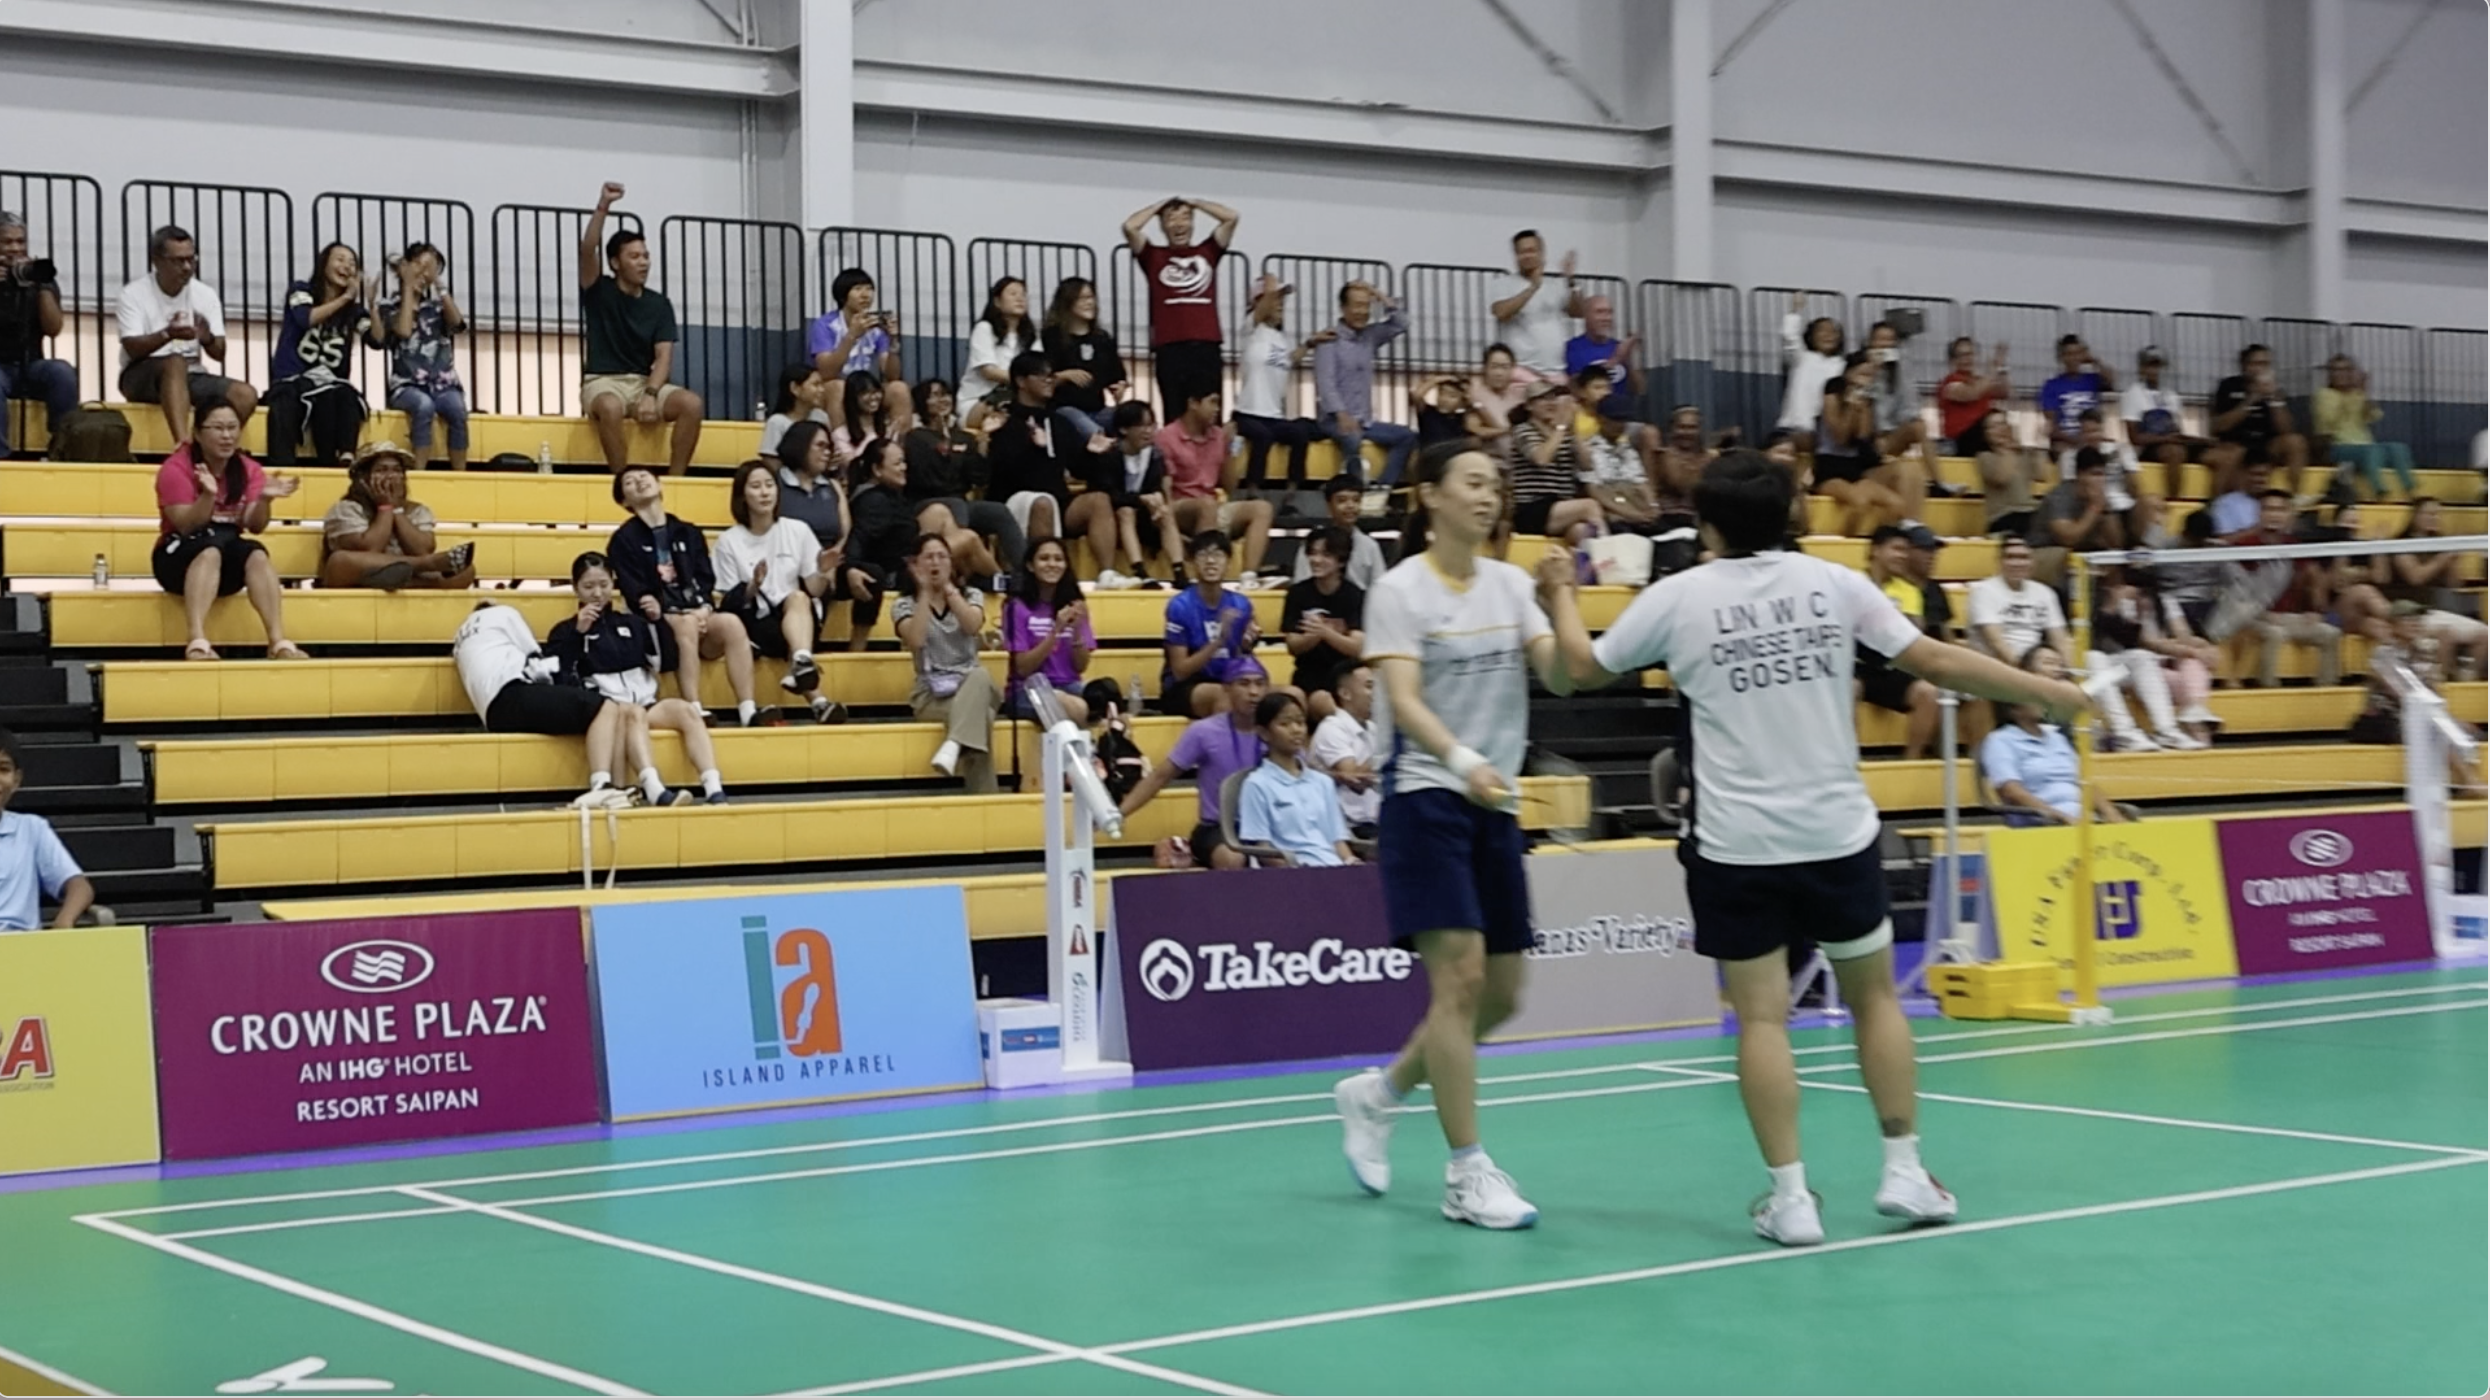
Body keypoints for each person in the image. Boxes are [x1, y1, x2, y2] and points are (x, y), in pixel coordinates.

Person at [1537, 448, 2093, 1245]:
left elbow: (1579, 673)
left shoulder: (1679, 596)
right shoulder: (1835, 582)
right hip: (1835, 834)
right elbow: (1931, 658)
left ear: (1709, 522)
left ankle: (1791, 1200)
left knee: (1762, 1019)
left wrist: (1559, 592)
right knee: (1875, 998)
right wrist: (2049, 692)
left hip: (1735, 845)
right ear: (1791, 516)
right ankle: (1904, 1171)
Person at [1329, 439, 1580, 1232]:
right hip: (1427, 796)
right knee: (1461, 981)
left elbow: (1566, 675)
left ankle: (1379, 1093)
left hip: (1491, 804)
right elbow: (1402, 698)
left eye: (1494, 484)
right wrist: (1465, 759)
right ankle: (1466, 1173)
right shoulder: (1399, 591)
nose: (1488, 494)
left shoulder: (1512, 584)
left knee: (1503, 995)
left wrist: (1562, 594)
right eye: (1471, 482)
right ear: (1429, 495)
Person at [544, 551, 727, 805]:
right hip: (609, 712)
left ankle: (714, 788)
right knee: (633, 714)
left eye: (603, 585)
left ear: (613, 584)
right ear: (576, 589)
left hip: (648, 702)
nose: (597, 593)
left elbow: (666, 662)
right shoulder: (564, 630)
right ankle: (654, 789)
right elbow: (560, 677)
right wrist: (578, 634)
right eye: (588, 586)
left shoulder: (632, 623)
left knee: (687, 711)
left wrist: (658, 621)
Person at [608, 466, 759, 726]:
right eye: (630, 482)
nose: (640, 481)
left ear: (660, 485)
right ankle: (694, 707)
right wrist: (659, 607)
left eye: (645, 476)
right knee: (686, 623)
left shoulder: (687, 531)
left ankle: (748, 709)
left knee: (731, 624)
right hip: (658, 622)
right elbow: (634, 589)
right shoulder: (623, 540)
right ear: (624, 501)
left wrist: (705, 608)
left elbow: (704, 577)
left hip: (695, 613)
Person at [153, 400, 303, 662]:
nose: (227, 436)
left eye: (233, 428)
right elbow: (186, 524)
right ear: (198, 434)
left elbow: (254, 526)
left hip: (225, 552)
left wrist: (265, 501)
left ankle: (278, 641)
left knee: (256, 553)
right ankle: (197, 640)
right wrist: (208, 496)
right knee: (210, 551)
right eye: (218, 428)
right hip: (177, 554)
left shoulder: (248, 469)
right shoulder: (176, 468)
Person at [714, 459, 854, 724]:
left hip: (800, 617)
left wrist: (823, 571)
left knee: (798, 597)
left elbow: (814, 589)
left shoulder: (797, 530)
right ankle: (818, 699)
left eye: (769, 485)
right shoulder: (728, 541)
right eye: (756, 486)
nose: (765, 492)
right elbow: (728, 602)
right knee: (794, 613)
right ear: (742, 496)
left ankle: (801, 662)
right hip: (756, 624)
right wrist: (754, 585)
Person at [578, 183, 704, 476]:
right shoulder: (600, 291)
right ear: (615, 263)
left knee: (691, 404)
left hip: (642, 382)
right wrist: (603, 205)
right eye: (634, 257)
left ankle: (676, 481)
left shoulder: (659, 304)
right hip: (602, 381)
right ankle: (624, 481)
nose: (644, 262)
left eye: (646, 256)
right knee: (609, 407)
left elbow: (663, 357)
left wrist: (650, 393)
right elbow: (587, 250)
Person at [454, 600, 632, 804]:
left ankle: (616, 790)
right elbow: (537, 658)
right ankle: (602, 785)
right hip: (513, 693)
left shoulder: (460, 639)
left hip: (492, 714)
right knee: (605, 708)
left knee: (592, 716)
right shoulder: (503, 612)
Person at [1119, 660, 1269, 869]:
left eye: (1260, 684)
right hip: (1217, 828)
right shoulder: (1204, 732)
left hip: (1265, 826)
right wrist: (1120, 813)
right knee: (1232, 858)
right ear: (1226, 689)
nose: (1253, 692)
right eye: (1243, 683)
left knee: (1284, 857)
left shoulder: (1276, 731)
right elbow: (1160, 776)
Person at [117, 224, 257, 441]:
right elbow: (132, 348)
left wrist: (207, 337)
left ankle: (211, 450)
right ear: (157, 261)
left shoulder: (205, 294)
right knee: (175, 362)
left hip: (192, 374)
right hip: (140, 374)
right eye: (178, 261)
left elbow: (219, 353)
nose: (186, 267)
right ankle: (183, 446)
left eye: (191, 259)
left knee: (245, 394)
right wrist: (168, 335)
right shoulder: (134, 294)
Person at [1977, 645, 2131, 827]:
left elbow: (2084, 782)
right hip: (2043, 823)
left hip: (2084, 821)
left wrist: (2113, 816)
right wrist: (2058, 816)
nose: (2043, 703)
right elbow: (2012, 792)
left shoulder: (2056, 737)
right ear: (2012, 708)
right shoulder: (2000, 741)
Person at [892, 532, 999, 790]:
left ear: (951, 563)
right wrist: (926, 593)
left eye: (942, 556)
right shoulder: (904, 605)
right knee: (981, 717)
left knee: (980, 675)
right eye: (928, 557)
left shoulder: (971, 595)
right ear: (915, 565)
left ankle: (952, 745)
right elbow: (915, 640)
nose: (935, 563)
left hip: (972, 684)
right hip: (932, 693)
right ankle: (985, 800)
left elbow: (973, 626)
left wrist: (949, 590)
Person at [984, 351, 1115, 559]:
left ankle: (1107, 575)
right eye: (1041, 374)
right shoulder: (1004, 418)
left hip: (1056, 500)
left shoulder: (1059, 422)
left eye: (1051, 375)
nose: (1049, 380)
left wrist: (1094, 454)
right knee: (1042, 503)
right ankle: (1039, 577)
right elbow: (1001, 470)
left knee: (1098, 500)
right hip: (1013, 501)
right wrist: (1034, 448)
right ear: (1020, 381)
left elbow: (1081, 469)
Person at [1122, 196, 1241, 417]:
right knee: (1175, 412)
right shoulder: (1153, 256)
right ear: (1162, 225)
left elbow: (1231, 217)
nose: (1179, 224)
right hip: (1170, 347)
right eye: (1171, 219)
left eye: (1185, 217)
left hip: (1206, 345)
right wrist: (1158, 206)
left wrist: (1197, 204)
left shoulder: (1207, 252)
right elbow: (1130, 226)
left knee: (1210, 413)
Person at [263, 241, 372, 467]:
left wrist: (373, 303)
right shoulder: (301, 290)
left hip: (329, 384)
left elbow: (377, 340)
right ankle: (282, 468)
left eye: (352, 263)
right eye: (340, 259)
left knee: (342, 397)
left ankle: (341, 460)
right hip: (292, 379)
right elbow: (305, 319)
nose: (347, 267)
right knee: (285, 406)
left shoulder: (354, 311)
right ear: (324, 264)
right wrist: (344, 299)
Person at [319, 441, 476, 590]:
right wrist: (385, 507)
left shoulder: (418, 510)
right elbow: (370, 548)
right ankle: (424, 566)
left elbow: (423, 549)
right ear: (362, 480)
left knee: (467, 571)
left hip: (410, 575)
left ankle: (402, 582)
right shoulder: (346, 508)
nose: (390, 477)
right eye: (381, 470)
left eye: (396, 470)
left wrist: (397, 510)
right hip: (359, 576)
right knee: (339, 561)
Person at [903, 377, 1021, 573]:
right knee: (955, 504)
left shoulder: (964, 437)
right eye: (935, 395)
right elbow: (926, 480)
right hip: (927, 503)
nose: (943, 400)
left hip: (960, 502)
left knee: (999, 511)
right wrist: (947, 451)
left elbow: (979, 479)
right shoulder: (915, 437)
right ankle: (962, 573)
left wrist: (982, 447)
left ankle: (1024, 572)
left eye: (946, 394)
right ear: (922, 402)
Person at [369, 242, 470, 471]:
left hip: (444, 383)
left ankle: (461, 473)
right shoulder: (389, 306)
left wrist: (440, 286)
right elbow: (403, 330)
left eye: (431, 269)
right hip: (407, 385)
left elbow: (458, 323)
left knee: (457, 409)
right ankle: (419, 471)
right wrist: (407, 286)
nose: (424, 274)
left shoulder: (436, 307)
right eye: (420, 266)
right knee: (424, 406)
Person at [1159, 387, 1275, 580]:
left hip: (1212, 505)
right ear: (1193, 403)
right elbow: (1164, 491)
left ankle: (1248, 576)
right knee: (1207, 504)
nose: (1217, 409)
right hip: (1178, 507)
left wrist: (1228, 448)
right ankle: (1204, 574)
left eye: (1218, 403)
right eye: (1212, 402)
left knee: (1262, 508)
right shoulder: (1166, 437)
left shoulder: (1218, 436)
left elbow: (1230, 487)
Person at [1231, 275, 1328, 504]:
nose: (1280, 304)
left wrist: (1309, 344)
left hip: (1274, 415)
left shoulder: (1279, 338)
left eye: (1282, 299)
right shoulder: (1250, 330)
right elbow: (1260, 309)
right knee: (1262, 437)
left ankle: (1293, 488)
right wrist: (1270, 288)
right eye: (1276, 299)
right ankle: (1254, 488)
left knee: (1299, 433)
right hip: (1248, 412)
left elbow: (1288, 360)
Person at [1313, 280, 1415, 489]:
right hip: (1334, 420)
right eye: (1357, 305)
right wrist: (1342, 414)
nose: (1362, 311)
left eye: (1366, 306)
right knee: (1352, 439)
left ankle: (1382, 489)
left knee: (1407, 437)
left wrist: (1378, 293)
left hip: (1365, 420)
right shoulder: (1329, 339)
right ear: (1343, 308)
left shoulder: (1370, 336)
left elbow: (1402, 323)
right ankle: (1357, 491)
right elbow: (1326, 384)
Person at [1237, 691, 1357, 867]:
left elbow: (1338, 840)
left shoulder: (1322, 782)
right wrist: (1297, 875)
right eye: (1285, 723)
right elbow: (1262, 850)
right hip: (1291, 877)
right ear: (1263, 733)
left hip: (1333, 871)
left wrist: (1351, 863)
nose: (1296, 729)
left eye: (1300, 722)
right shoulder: (1256, 784)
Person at [1853, 525, 1943, 760]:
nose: (1903, 555)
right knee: (1848, 687)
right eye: (1896, 549)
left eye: (1905, 550)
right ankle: (1849, 760)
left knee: (1928, 692)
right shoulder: (1853, 584)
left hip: (1893, 666)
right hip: (1858, 665)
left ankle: (1910, 762)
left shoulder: (1908, 590)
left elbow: (1914, 632)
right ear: (1875, 550)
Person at [2095, 571, 2211, 750]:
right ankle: (2125, 733)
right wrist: (2112, 607)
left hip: (2112, 674)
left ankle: (2167, 730)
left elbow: (2135, 642)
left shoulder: (2157, 603)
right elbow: (2098, 635)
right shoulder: (2092, 599)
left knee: (2141, 657)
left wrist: (2198, 646)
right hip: (2084, 675)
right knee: (2094, 657)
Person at [0, 728, 95, 931]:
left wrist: (64, 920)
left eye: (3, 769)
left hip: (23, 951)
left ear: (16, 780)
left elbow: (79, 886)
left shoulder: (32, 829)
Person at [1160, 529, 1260, 718]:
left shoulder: (1241, 604)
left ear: (1229, 562)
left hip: (1230, 680)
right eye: (1203, 554)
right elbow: (1180, 671)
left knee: (1288, 696)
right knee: (1226, 698)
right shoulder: (1180, 606)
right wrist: (1218, 641)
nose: (1211, 561)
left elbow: (1243, 656)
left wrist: (1247, 644)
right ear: (1192, 562)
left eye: (1218, 555)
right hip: (1184, 687)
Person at [0, 212, 76, 459]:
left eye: (20, 242)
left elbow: (54, 328)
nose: (15, 249)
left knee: (62, 372)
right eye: (7, 242)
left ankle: (63, 449)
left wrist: (41, 285)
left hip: (30, 364)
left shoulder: (37, 277)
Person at [2384, 497, 2487, 678]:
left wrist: (2454, 559)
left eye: (2437, 514)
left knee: (2484, 634)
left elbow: (2454, 584)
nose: (2434, 518)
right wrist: (2443, 557)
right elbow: (2416, 577)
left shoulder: (2440, 542)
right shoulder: (2400, 544)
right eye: (2429, 513)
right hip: (2407, 613)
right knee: (2445, 634)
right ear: (2415, 516)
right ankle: (2441, 685)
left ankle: (2466, 678)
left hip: (2431, 611)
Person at [1086, 399, 1179, 588]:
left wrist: (1156, 499)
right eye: (1141, 425)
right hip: (1112, 518)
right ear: (1123, 430)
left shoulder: (1154, 455)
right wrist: (1140, 499)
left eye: (1151, 425)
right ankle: (1140, 572)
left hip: (1142, 514)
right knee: (1126, 511)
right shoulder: (1109, 454)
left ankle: (1179, 571)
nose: (1148, 431)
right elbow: (1107, 493)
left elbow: (1155, 486)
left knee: (1165, 512)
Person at [1004, 536, 1097, 722]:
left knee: (1110, 701)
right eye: (1044, 558)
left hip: (1069, 685)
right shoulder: (1016, 607)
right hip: (1028, 689)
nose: (1052, 564)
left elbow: (1081, 666)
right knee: (1075, 707)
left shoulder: (1076, 605)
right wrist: (1056, 631)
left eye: (1058, 559)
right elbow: (1022, 668)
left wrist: (1077, 630)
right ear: (1031, 566)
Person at [1815, 352, 1907, 536]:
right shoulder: (1832, 390)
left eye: (1869, 376)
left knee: (1898, 504)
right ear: (1848, 373)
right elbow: (1839, 438)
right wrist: (1849, 406)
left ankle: (1878, 544)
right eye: (1862, 374)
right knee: (1860, 501)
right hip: (1829, 467)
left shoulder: (1867, 400)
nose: (1866, 380)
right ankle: (1847, 545)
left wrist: (1862, 407)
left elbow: (1862, 438)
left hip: (1855, 467)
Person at [1282, 525, 1368, 719]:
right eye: (1312, 553)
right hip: (1308, 676)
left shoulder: (1354, 596)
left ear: (1341, 560)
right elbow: (1293, 645)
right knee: (1300, 699)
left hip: (1344, 677)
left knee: (1328, 701)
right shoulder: (1298, 594)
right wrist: (1313, 636)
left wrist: (1325, 632)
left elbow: (1357, 647)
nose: (1316, 560)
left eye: (1325, 555)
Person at [808, 267, 910, 427]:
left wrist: (893, 341)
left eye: (869, 289)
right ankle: (843, 447)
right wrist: (851, 336)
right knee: (838, 387)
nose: (865, 295)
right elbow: (827, 372)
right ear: (843, 295)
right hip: (833, 388)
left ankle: (898, 448)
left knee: (899, 388)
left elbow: (892, 375)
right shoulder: (825, 324)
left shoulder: (876, 326)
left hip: (864, 388)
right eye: (858, 289)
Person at [1508, 381, 1604, 543]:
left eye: (1553, 398)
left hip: (1562, 506)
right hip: (1532, 508)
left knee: (1582, 531)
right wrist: (1561, 427)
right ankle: (1610, 559)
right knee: (1590, 506)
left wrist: (1573, 430)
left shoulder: (1564, 434)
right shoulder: (1523, 431)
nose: (1550, 403)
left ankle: (1588, 566)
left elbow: (1587, 465)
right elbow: (1541, 459)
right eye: (1543, 398)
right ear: (1529, 406)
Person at [2315, 354, 2416, 501]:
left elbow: (2374, 415)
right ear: (2330, 373)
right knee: (2372, 451)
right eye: (2337, 370)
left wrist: (2364, 393)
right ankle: (2380, 491)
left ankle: (2410, 489)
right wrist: (2348, 396)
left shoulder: (2358, 393)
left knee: (2398, 448)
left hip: (2364, 445)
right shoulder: (2323, 394)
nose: (2342, 374)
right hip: (2337, 446)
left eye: (2346, 370)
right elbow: (2330, 420)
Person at [1040, 276, 1127, 443]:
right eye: (1082, 298)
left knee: (1131, 419)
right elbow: (1042, 379)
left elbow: (1117, 376)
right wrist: (1064, 375)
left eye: (1091, 297)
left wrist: (1120, 387)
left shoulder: (1102, 339)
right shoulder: (1052, 337)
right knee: (1091, 430)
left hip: (1098, 409)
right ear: (1067, 301)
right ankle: (1106, 447)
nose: (1089, 302)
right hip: (1065, 409)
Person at [1489, 230, 1581, 382]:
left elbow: (1578, 312)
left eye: (1532, 250)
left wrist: (1571, 281)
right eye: (1522, 252)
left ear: (1542, 252)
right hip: (1522, 369)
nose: (1527, 256)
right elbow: (1501, 312)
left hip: (1555, 370)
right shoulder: (1503, 283)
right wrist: (1533, 287)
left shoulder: (1555, 285)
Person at [2212, 345, 2309, 486]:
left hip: (2267, 445)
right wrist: (2252, 399)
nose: (2261, 368)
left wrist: (2274, 399)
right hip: (2235, 444)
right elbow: (2219, 426)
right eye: (2256, 363)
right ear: (2244, 366)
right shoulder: (2228, 386)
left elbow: (2287, 429)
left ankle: (2294, 497)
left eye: (2266, 364)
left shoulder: (2276, 391)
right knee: (2232, 454)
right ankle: (2218, 503)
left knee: (2296, 441)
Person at [2028, 448, 2127, 587]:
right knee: (2069, 560)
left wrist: (2106, 509)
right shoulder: (2059, 497)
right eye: (2095, 474)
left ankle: (2115, 604)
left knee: (2112, 559)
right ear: (2079, 475)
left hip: (2078, 552)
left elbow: (2117, 542)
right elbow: (2068, 538)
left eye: (2103, 475)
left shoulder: (2101, 499)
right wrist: (2094, 508)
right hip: (2044, 553)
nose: (2100, 480)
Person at [1968, 537, 2074, 663]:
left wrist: (2069, 671)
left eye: (2024, 557)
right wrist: (2025, 672)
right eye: (2010, 557)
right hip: (1995, 665)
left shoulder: (2044, 592)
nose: (2017, 563)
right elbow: (1996, 642)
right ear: (1999, 561)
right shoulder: (1983, 590)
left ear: (2033, 562)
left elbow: (2060, 639)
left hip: (2034, 663)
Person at [2118, 346, 2216, 475]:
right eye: (2151, 366)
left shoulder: (2171, 396)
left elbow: (2176, 432)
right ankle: (2174, 495)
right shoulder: (2133, 394)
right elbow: (2135, 438)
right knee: (2174, 452)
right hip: (2146, 449)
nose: (2155, 371)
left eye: (2158, 366)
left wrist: (2201, 441)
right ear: (2141, 369)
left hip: (2171, 443)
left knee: (2216, 453)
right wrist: (2166, 438)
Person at [1310, 662, 1381, 838]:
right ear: (1345, 693)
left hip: (1377, 822)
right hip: (1345, 828)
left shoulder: (1373, 728)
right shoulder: (1332, 728)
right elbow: (1355, 779)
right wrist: (1391, 745)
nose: (1377, 694)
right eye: (1369, 686)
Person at [1580, 390, 1665, 536]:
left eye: (1623, 420)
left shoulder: (1627, 450)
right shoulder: (1587, 450)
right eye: (1615, 419)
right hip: (1611, 511)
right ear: (1601, 419)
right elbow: (1594, 492)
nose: (1620, 425)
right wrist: (1632, 515)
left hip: (1635, 505)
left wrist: (1653, 506)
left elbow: (1641, 483)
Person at [963, 277, 1040, 425]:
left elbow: (1038, 370)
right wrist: (1026, 381)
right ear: (997, 302)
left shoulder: (1031, 336)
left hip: (1019, 399)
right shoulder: (984, 328)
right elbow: (989, 372)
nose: (1020, 298)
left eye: (1023, 294)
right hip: (981, 399)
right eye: (1013, 294)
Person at [1292, 476, 1389, 591]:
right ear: (1329, 505)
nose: (1350, 506)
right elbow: (1301, 584)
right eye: (1342, 500)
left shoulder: (1370, 546)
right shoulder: (1313, 544)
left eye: (1356, 500)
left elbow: (1380, 588)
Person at [1974, 408, 2050, 538]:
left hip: (2030, 513)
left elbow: (2041, 475)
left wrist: (2039, 443)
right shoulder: (1985, 457)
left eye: (2003, 423)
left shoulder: (2022, 454)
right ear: (1985, 434)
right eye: (1994, 426)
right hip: (2004, 516)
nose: (2001, 429)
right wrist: (2005, 448)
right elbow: (2002, 478)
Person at [1776, 296, 1845, 433]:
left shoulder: (1842, 365)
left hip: (1826, 433)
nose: (1828, 335)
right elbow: (1789, 337)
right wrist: (1795, 310)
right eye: (1822, 330)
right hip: (1795, 427)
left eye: (1833, 331)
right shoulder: (1801, 358)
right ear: (1811, 336)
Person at [2037, 334, 2114, 456]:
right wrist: (2077, 441)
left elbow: (2111, 380)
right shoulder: (2051, 386)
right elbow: (2052, 426)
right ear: (2061, 357)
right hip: (2067, 440)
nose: (2074, 358)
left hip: (2093, 436)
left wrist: (2094, 360)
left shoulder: (2092, 380)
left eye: (2077, 353)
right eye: (2069, 354)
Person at [1937, 338, 2010, 454]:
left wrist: (2001, 367)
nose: (1967, 359)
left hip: (1983, 436)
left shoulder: (1980, 380)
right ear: (1953, 360)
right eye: (1962, 355)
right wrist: (1994, 369)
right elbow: (1971, 393)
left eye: (1970, 354)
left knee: (2000, 420)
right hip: (1962, 439)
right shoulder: (1949, 383)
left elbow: (2003, 392)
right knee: (1992, 423)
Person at [1564, 294, 1641, 399]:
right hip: (1588, 414)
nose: (1606, 318)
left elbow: (1639, 389)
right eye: (1599, 312)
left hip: (1623, 413)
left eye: (1609, 312)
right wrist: (1615, 360)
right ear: (1586, 316)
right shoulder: (1572, 348)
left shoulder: (1619, 347)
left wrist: (1628, 360)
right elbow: (1574, 389)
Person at [832, 370, 902, 470]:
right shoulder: (840, 434)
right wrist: (884, 440)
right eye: (865, 393)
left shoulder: (889, 429)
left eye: (876, 392)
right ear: (853, 398)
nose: (873, 397)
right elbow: (854, 467)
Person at [1466, 343, 1527, 452]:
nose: (1499, 373)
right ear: (1484, 368)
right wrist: (1505, 431)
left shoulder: (1519, 395)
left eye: (1504, 367)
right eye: (1494, 367)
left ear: (1512, 369)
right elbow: (1474, 429)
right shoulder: (1475, 394)